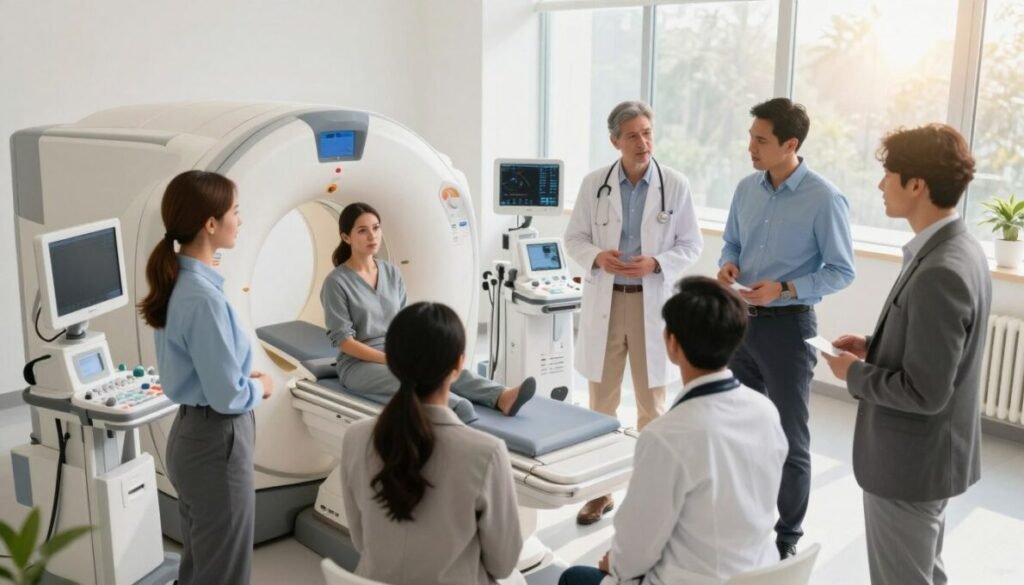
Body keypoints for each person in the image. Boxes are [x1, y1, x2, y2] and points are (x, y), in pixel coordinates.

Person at [822, 124, 990, 585]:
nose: (879, 185)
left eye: (888, 174)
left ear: (917, 184)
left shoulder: (941, 269)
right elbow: (941, 356)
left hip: (909, 466)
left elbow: (926, 391)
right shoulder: (959, 248)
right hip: (930, 459)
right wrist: (875, 349)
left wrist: (855, 374)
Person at [558, 277, 788, 585]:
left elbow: (634, 550)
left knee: (574, 577)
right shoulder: (765, 411)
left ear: (672, 344)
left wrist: (615, 564)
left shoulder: (666, 436)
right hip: (757, 573)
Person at [716, 97, 855, 558]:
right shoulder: (745, 189)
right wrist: (728, 265)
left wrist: (788, 288)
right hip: (740, 325)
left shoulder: (825, 198)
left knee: (790, 438)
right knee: (742, 428)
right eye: (750, 137)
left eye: (761, 140)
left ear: (790, 144)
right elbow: (731, 242)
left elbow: (841, 270)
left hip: (789, 330)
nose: (750, 147)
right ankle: (746, 522)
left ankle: (785, 540)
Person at [564, 100, 703, 525]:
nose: (643, 143)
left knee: (651, 407)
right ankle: (600, 492)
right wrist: (597, 257)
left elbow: (690, 244)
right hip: (607, 298)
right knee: (599, 405)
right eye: (632, 136)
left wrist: (657, 263)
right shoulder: (594, 185)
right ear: (614, 141)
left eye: (647, 133)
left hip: (651, 303)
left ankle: (647, 494)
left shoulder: (675, 185)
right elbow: (574, 239)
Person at [138, 170, 271, 585]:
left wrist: (233, 374)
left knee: (200, 563)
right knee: (224, 572)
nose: (240, 220)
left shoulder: (180, 281)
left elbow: (203, 367)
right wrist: (259, 387)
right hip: (218, 443)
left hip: (194, 438)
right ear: (210, 224)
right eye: (235, 211)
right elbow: (227, 397)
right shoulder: (201, 298)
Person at [340, 302, 525, 585]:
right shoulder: (486, 452)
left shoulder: (355, 437)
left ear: (392, 362)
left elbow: (361, 540)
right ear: (459, 364)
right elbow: (503, 564)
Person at [321, 202, 534, 423]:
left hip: (397, 351)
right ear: (346, 238)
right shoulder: (336, 282)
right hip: (359, 364)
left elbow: (403, 324)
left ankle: (501, 396)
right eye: (362, 230)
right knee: (406, 379)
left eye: (376, 228)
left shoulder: (391, 272)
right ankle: (453, 406)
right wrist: (390, 359)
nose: (372, 236)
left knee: (442, 362)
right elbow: (344, 342)